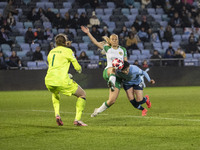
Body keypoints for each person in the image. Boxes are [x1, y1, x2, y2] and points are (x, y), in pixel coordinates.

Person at [81, 25, 128, 117]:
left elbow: (126, 64)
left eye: (116, 39)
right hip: (108, 71)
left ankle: (97, 111)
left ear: (118, 40)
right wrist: (88, 33)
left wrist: (125, 71)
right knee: (113, 68)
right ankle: (111, 83)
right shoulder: (107, 48)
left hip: (118, 76)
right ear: (110, 41)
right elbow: (95, 42)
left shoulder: (123, 49)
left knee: (112, 100)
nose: (115, 40)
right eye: (113, 39)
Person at [45, 33, 87, 126]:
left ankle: (57, 114)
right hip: (61, 80)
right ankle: (77, 120)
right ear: (65, 42)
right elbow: (77, 67)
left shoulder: (51, 52)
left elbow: (54, 66)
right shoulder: (68, 51)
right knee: (82, 94)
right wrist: (80, 70)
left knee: (55, 93)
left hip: (49, 79)